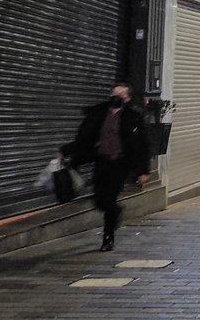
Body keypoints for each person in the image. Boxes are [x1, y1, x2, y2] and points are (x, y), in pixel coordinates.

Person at [61, 83, 150, 252]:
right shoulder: (98, 114)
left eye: (121, 95)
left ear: (127, 99)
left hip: (120, 164)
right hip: (101, 162)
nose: (116, 98)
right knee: (100, 200)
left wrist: (143, 171)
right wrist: (66, 152)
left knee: (109, 198)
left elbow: (143, 145)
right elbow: (84, 138)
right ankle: (115, 211)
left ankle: (108, 238)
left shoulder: (133, 118)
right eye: (114, 94)